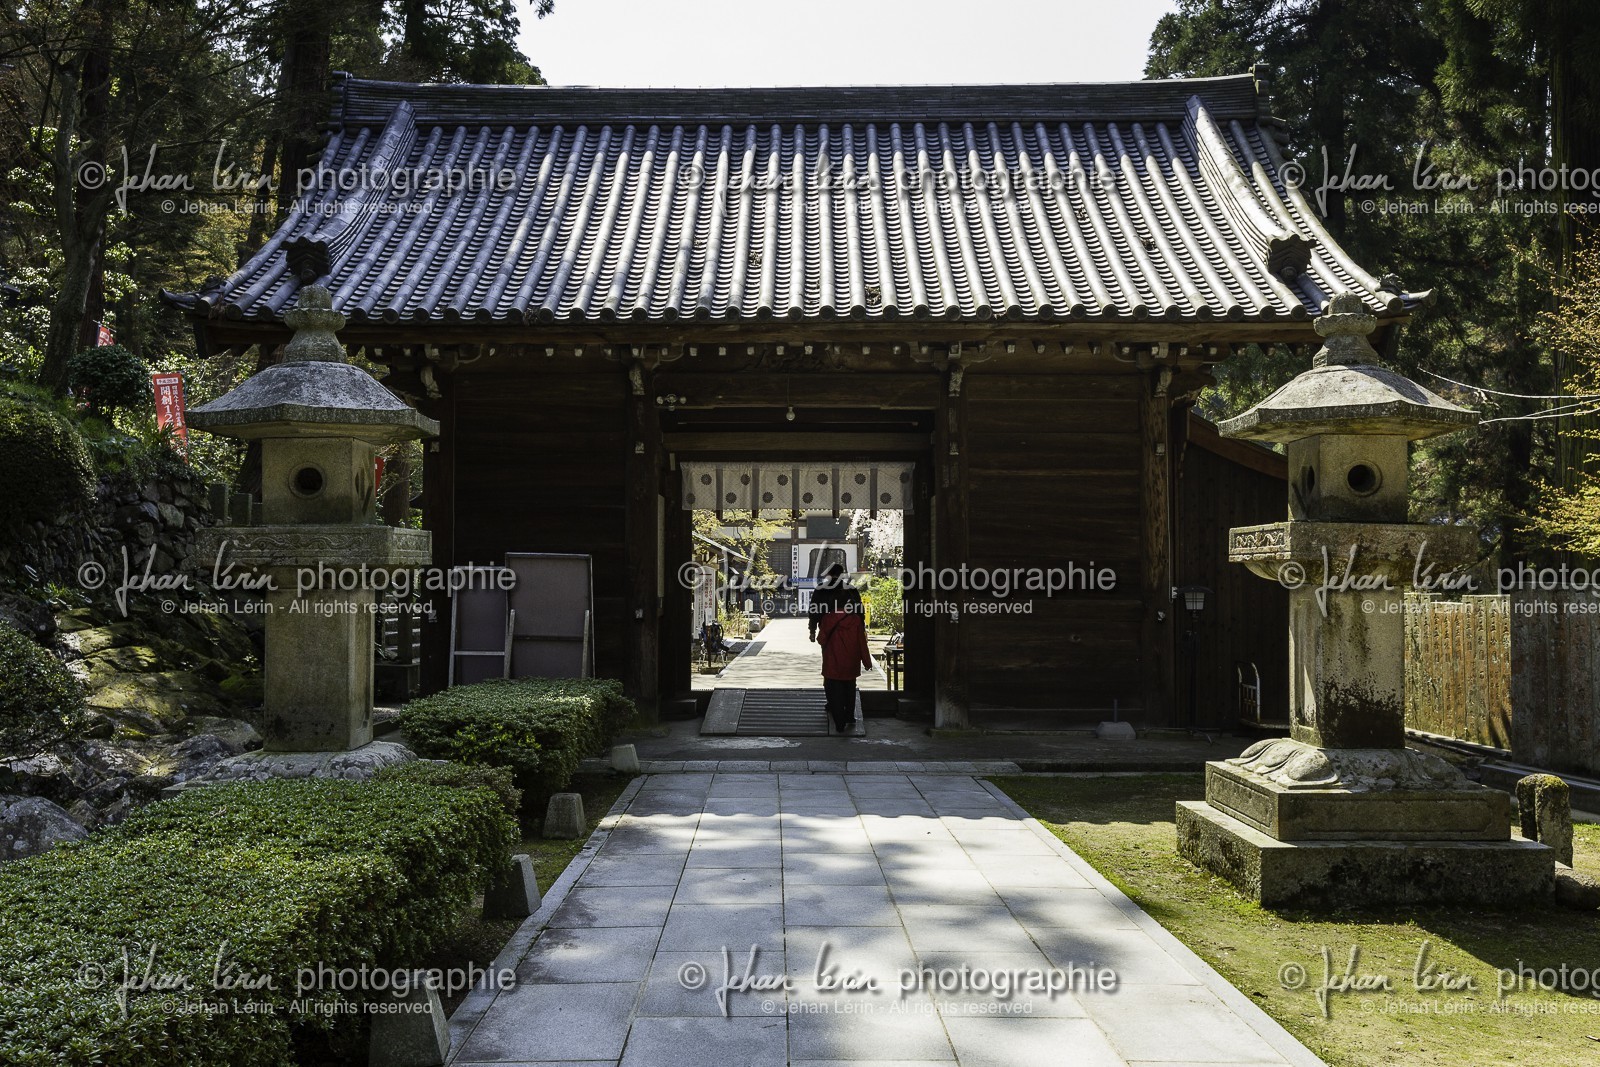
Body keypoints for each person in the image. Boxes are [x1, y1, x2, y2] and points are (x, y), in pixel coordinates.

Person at [817, 598, 872, 734]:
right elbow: (861, 642)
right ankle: (849, 716)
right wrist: (867, 661)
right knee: (850, 690)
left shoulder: (828, 618)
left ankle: (839, 723)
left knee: (835, 694)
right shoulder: (856, 620)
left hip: (833, 662)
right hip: (851, 662)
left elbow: (821, 639)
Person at [808, 561, 861, 642]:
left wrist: (812, 631)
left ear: (829, 574)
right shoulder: (850, 589)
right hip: (848, 629)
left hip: (827, 629)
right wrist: (862, 629)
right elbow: (859, 609)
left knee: (830, 653)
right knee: (846, 653)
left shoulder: (820, 588)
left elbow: (813, 610)